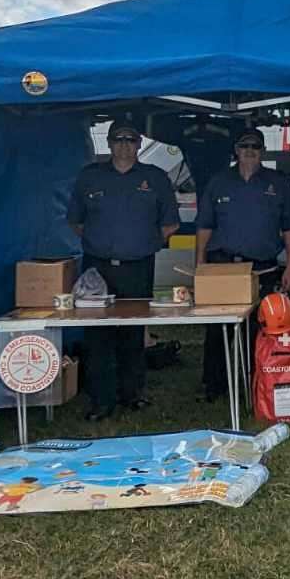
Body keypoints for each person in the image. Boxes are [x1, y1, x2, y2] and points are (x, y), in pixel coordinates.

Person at [67, 119, 180, 422]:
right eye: (118, 140)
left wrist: (143, 244)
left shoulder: (155, 178)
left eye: (130, 140)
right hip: (98, 268)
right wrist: (105, 243)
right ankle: (101, 399)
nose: (124, 146)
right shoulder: (89, 177)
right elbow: (76, 222)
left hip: (138, 266)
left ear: (139, 145)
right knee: (97, 335)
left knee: (133, 332)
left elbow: (170, 223)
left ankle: (133, 393)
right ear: (109, 143)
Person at [195, 127, 290, 403]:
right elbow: (205, 226)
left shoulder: (277, 182)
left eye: (255, 146)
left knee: (260, 328)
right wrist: (200, 265)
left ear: (262, 151)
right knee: (217, 329)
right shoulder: (218, 181)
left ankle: (258, 381)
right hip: (223, 267)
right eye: (244, 146)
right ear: (236, 150)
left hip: (262, 268)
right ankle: (214, 385)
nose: (249, 151)